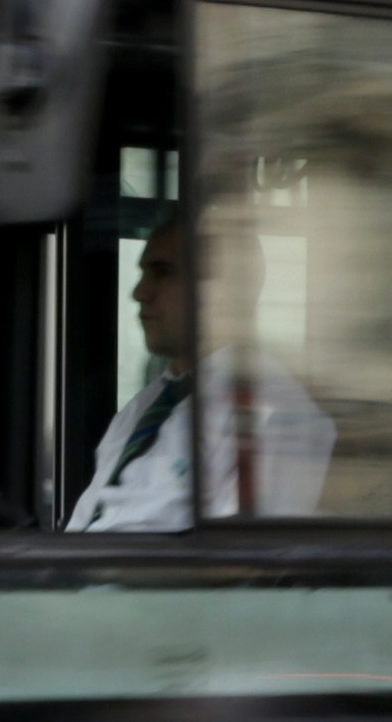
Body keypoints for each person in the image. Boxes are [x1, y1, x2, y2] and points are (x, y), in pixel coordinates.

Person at [65, 209, 336, 530]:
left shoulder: (273, 411)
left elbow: (246, 563)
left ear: (221, 291)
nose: (139, 292)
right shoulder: (142, 409)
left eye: (162, 272)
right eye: (144, 273)